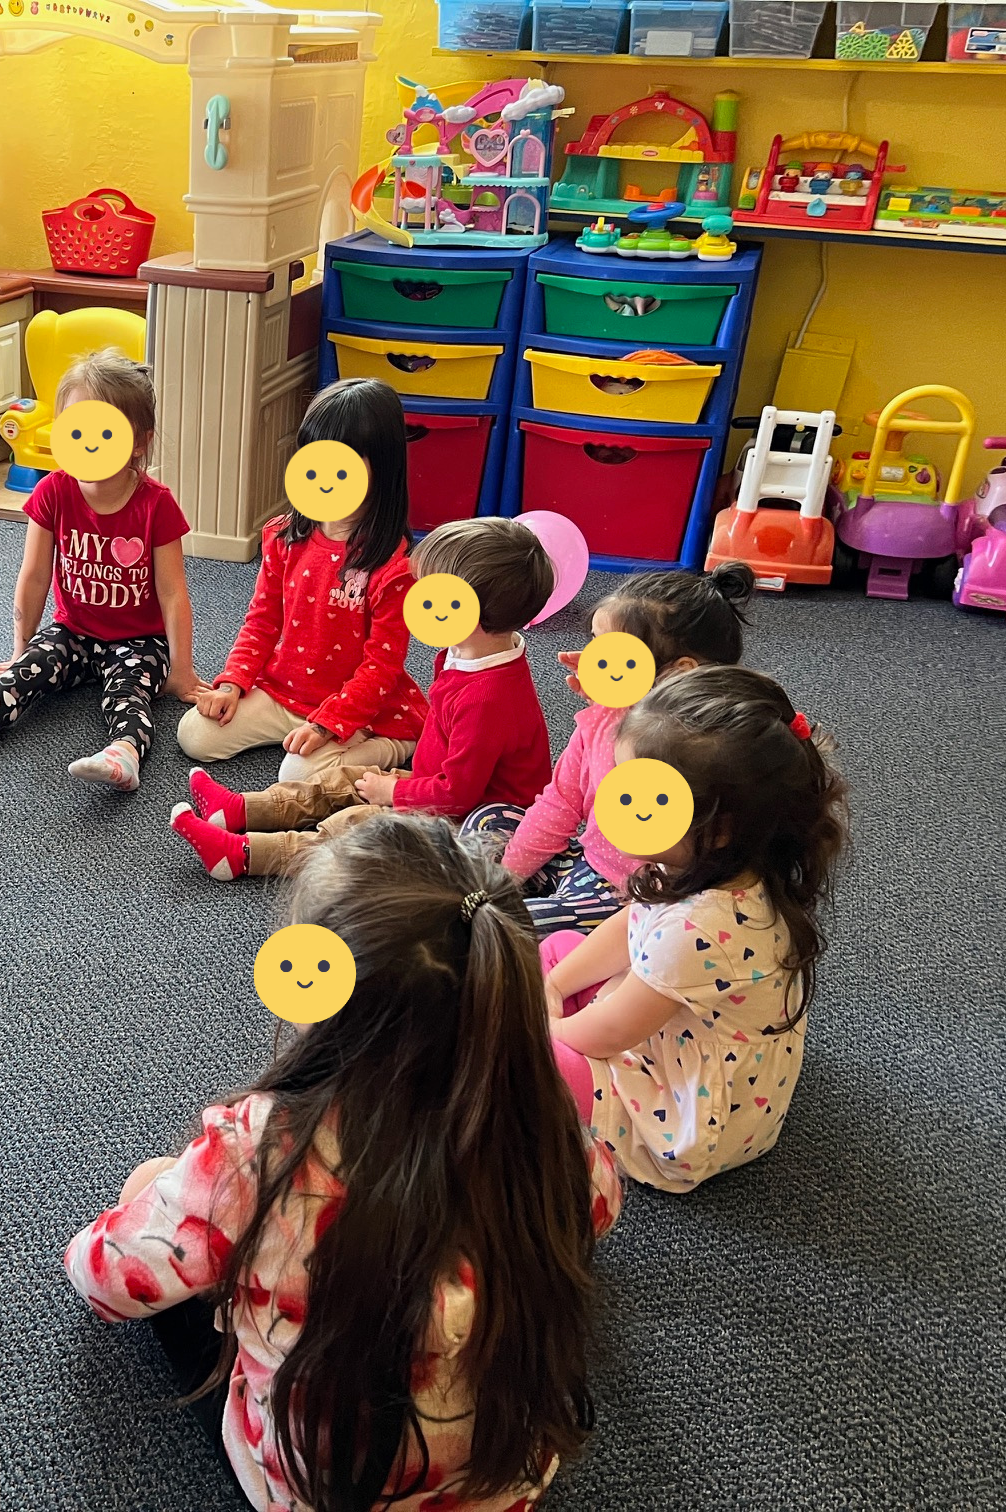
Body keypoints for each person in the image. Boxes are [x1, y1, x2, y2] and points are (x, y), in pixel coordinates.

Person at [66, 816, 621, 1512]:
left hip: (320, 1490)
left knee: (151, 1187)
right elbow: (600, 1208)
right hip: (504, 1485)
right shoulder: (550, 1128)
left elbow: (104, 1281)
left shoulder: (261, 1151)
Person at [543, 665, 848, 1190]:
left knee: (532, 1061)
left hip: (689, 1118)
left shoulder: (699, 928)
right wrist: (554, 986)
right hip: (674, 1021)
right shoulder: (702, 861)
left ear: (719, 827)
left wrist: (537, 1029)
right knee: (562, 950)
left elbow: (611, 1031)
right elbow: (629, 925)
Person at [172, 517, 553, 881]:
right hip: (439, 781)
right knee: (340, 781)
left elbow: (457, 795)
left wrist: (394, 793)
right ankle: (241, 809)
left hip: (475, 817)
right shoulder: (467, 653)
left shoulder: (487, 698)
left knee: (352, 826)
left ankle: (243, 855)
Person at [0, 351, 196, 792]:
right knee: (25, 673)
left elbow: (172, 593)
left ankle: (123, 755)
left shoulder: (156, 504)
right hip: (73, 631)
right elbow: (34, 576)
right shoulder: (53, 491)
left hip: (139, 640)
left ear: (140, 441)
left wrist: (181, 668)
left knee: (130, 694)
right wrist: (19, 648)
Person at [464, 562, 755, 937]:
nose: (593, 660)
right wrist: (510, 875)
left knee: (509, 926)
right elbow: (561, 802)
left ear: (679, 672)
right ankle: (516, 901)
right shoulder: (602, 718)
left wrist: (504, 887)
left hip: (630, 894)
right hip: (585, 860)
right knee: (490, 818)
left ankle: (517, 912)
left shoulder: (704, 748)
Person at [175, 378, 426, 782]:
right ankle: (302, 733)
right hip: (284, 690)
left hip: (357, 705)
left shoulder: (395, 566)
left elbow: (383, 666)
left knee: (297, 776)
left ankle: (399, 743)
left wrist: (329, 723)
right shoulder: (281, 535)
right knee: (195, 736)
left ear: (381, 466)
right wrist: (233, 683)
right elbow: (261, 621)